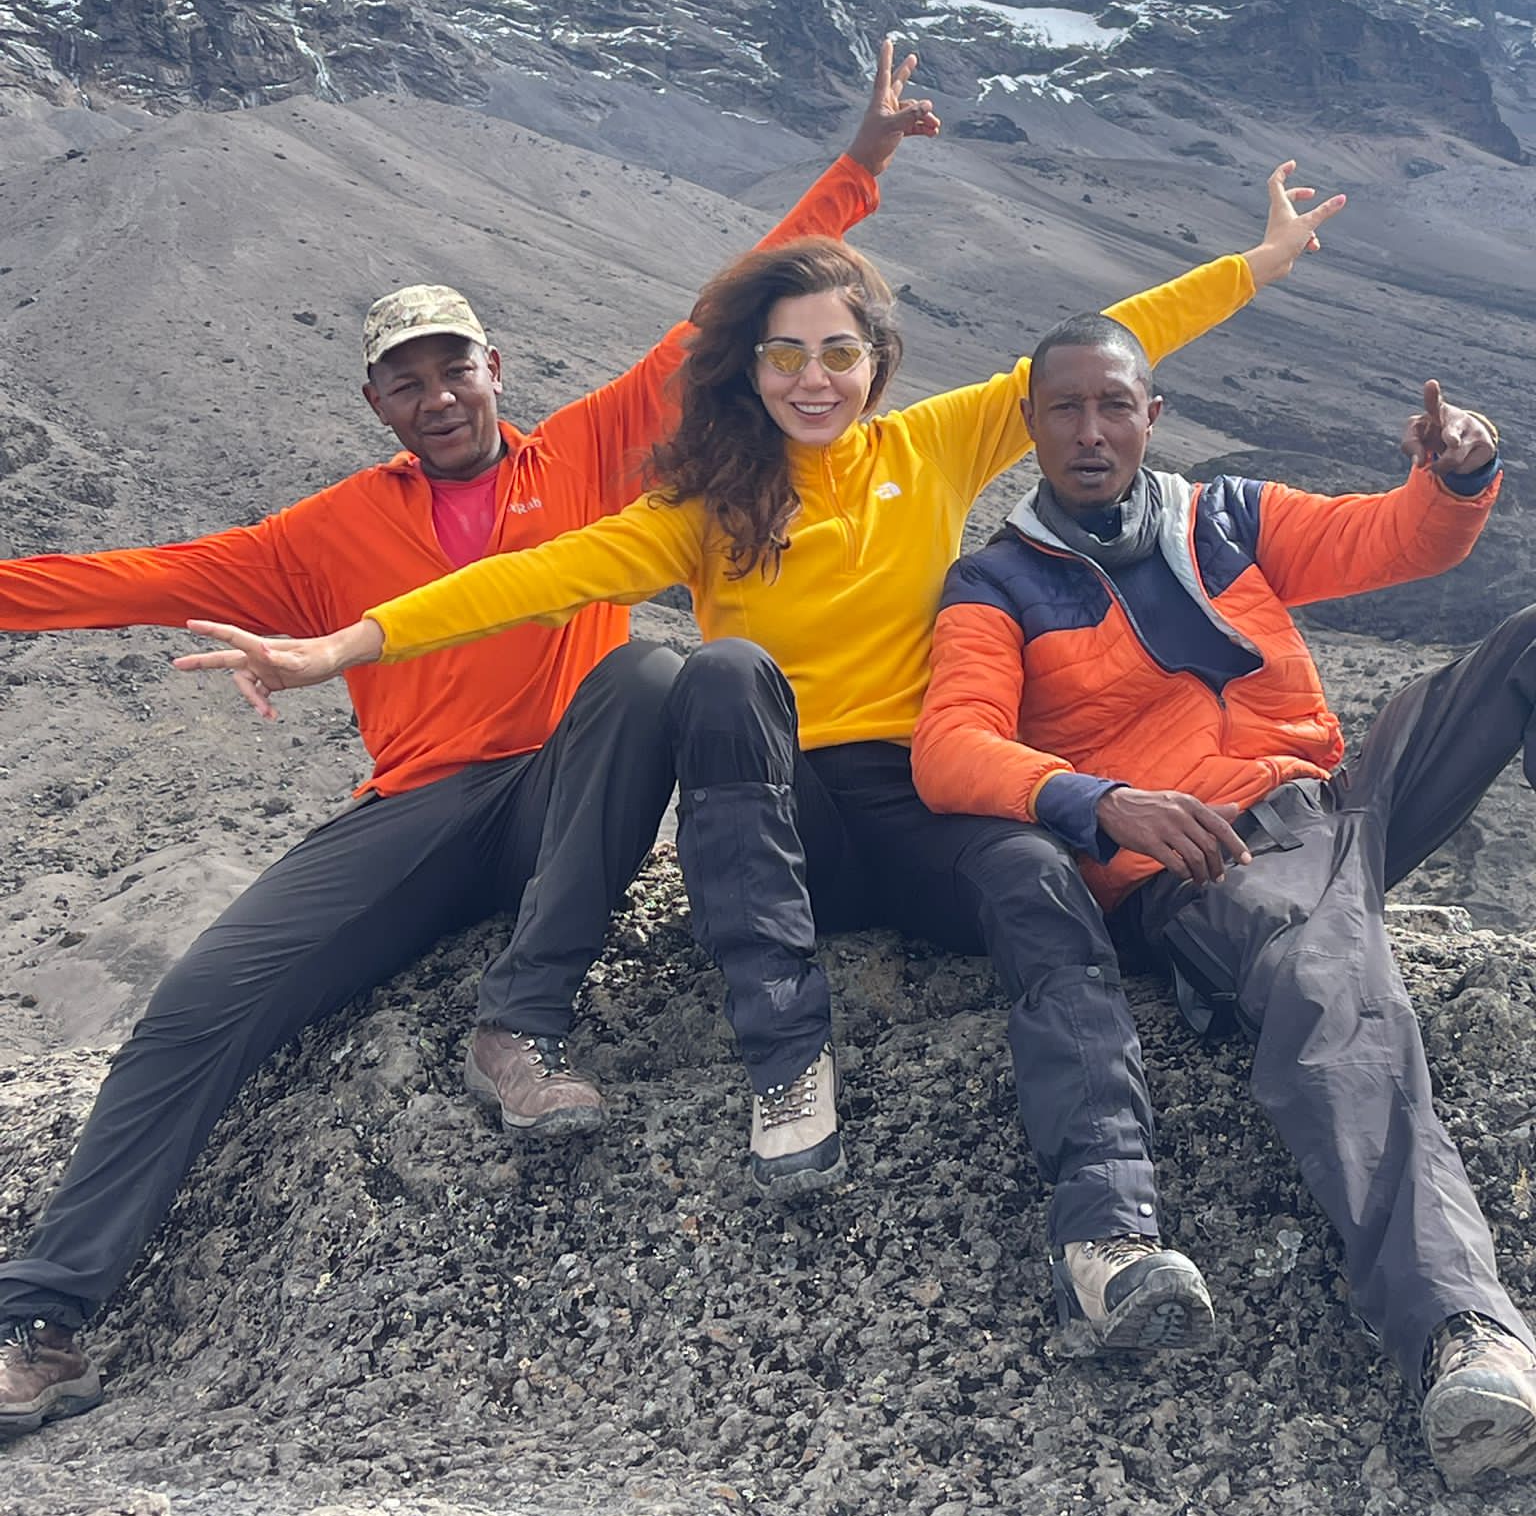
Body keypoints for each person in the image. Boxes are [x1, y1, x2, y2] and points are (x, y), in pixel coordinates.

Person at [0, 46, 939, 1443]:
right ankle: (44, 1320)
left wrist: (859, 162)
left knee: (650, 663)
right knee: (203, 1008)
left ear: (496, 370)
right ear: (378, 403)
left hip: (578, 792)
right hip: (423, 811)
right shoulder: (314, 539)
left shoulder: (595, 449)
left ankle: (521, 1020)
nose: (438, 396)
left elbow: (729, 309)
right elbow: (124, 579)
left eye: (456, 368)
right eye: (406, 381)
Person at [177, 166, 1342, 1216]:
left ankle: (1109, 1218)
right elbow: (531, 577)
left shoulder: (935, 445)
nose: (813, 377)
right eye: (785, 354)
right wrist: (343, 648)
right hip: (786, 822)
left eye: (838, 352)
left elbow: (1117, 340)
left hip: (930, 794)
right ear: (751, 368)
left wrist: (1266, 262)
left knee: (1040, 875)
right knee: (721, 669)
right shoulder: (707, 501)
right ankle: (788, 1059)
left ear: (877, 362)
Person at [906, 311, 1535, 1487]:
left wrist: (1456, 475)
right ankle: (1460, 1327)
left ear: (1154, 415)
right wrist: (1099, 801)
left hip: (1335, 795)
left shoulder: (1223, 518)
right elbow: (951, 745)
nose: (1092, 431)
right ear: (1028, 427)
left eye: (1114, 405)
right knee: (1332, 982)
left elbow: (1395, 540)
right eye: (1065, 410)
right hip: (1206, 855)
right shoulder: (994, 581)